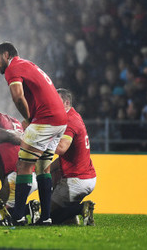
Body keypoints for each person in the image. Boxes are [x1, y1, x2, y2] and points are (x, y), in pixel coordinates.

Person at [0, 42, 67, 225]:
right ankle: (46, 217)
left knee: (23, 166)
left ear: (6, 55)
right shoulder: (28, 64)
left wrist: (29, 118)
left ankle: (18, 216)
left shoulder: (13, 68)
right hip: (61, 121)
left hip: (45, 120)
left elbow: (18, 97)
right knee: (43, 167)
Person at [50, 88, 97, 226]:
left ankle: (81, 208)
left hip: (76, 179)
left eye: (56, 101)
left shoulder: (69, 120)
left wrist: (40, 141)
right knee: (54, 175)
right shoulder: (74, 116)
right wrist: (49, 167)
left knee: (48, 216)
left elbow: (61, 148)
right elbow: (68, 155)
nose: (52, 104)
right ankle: (72, 217)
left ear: (66, 102)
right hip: (85, 176)